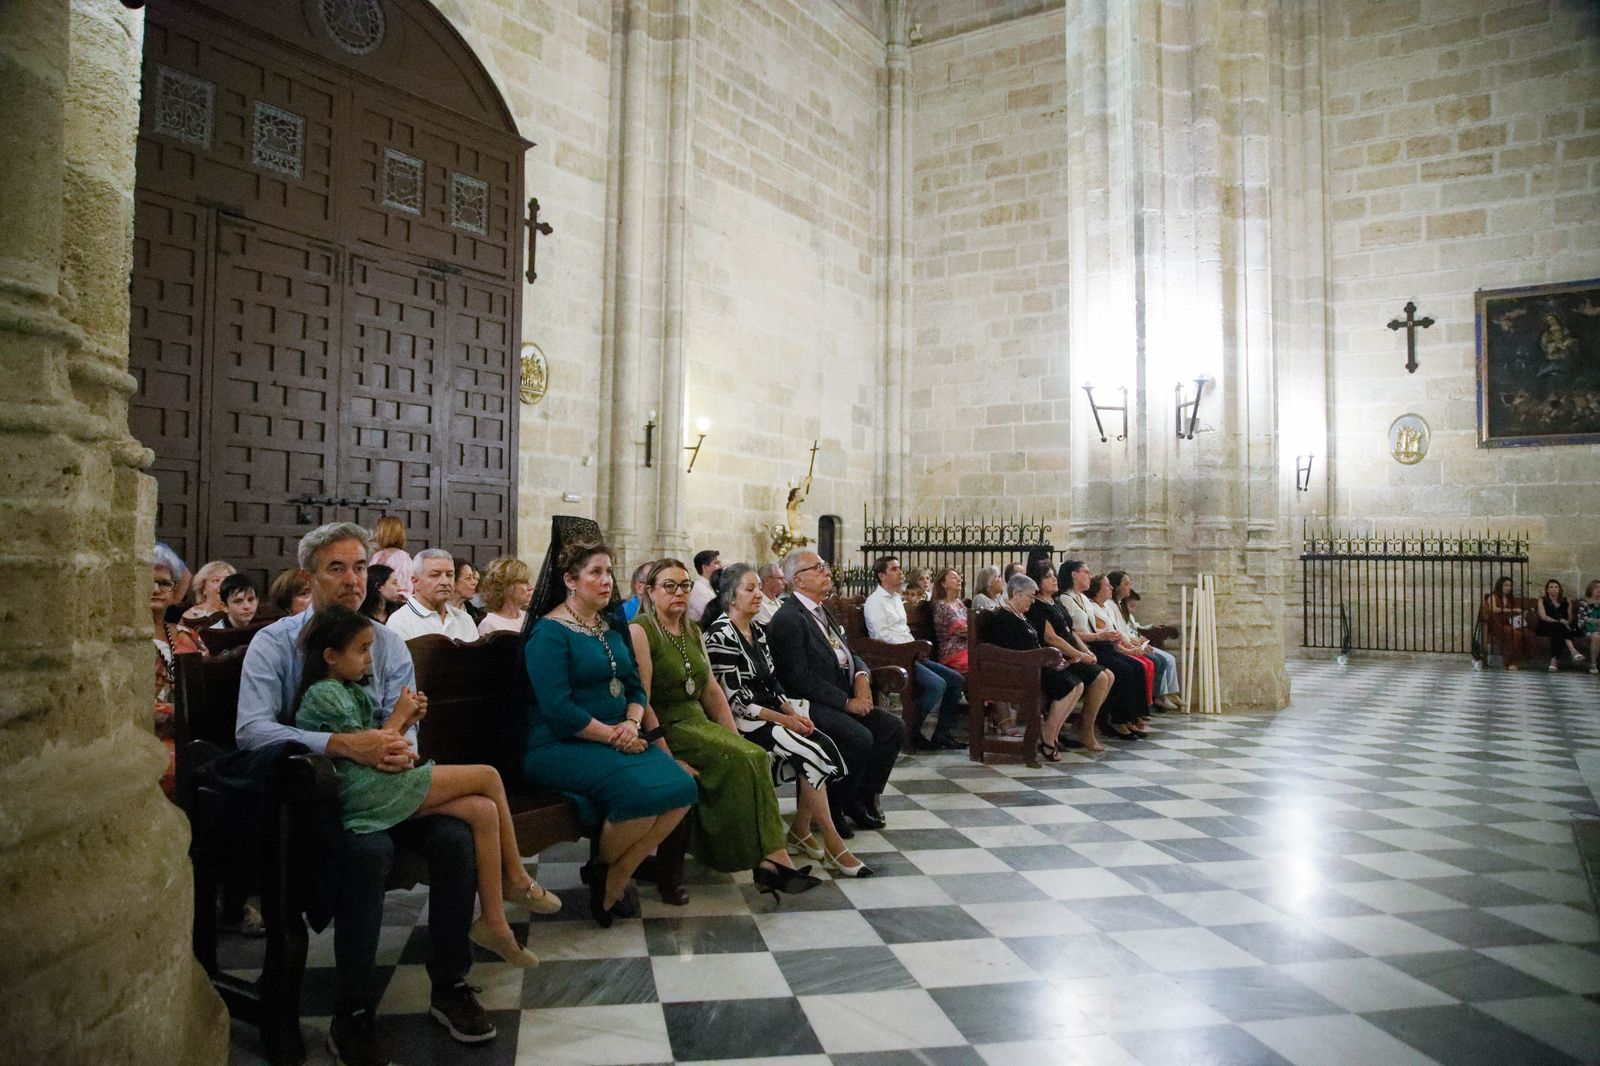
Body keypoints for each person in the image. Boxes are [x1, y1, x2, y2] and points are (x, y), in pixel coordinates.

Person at [237, 522, 503, 1056]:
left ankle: (449, 984)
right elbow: (251, 729)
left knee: (455, 839)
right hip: (311, 801)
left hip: (384, 782)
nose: (352, 580)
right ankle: (353, 1010)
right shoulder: (276, 641)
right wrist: (338, 743)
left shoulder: (386, 643)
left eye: (360, 567)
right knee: (369, 852)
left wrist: (391, 746)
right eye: (336, 568)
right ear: (309, 577)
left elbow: (406, 728)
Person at [292, 605, 543, 969]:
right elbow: (368, 750)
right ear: (331, 656)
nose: (370, 659)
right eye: (362, 650)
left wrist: (406, 717)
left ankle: (494, 922)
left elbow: (383, 744)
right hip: (360, 793)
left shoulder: (350, 691)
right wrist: (398, 716)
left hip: (375, 783)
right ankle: (516, 877)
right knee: (488, 776)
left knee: (481, 809)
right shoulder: (323, 694)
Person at [522, 539, 695, 923]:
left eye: (609, 572)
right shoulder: (550, 633)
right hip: (560, 743)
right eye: (595, 573)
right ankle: (611, 876)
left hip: (619, 737)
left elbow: (634, 687)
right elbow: (558, 709)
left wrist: (632, 723)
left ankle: (612, 871)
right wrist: (616, 736)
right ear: (570, 580)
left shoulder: (608, 626)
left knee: (682, 787)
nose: (606, 581)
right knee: (639, 795)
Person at [630, 559, 822, 897]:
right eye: (669, 586)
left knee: (754, 755)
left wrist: (733, 737)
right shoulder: (641, 630)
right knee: (740, 760)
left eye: (685, 586)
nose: (679, 593)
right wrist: (664, 755)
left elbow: (711, 690)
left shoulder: (691, 628)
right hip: (667, 725)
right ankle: (765, 861)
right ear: (650, 591)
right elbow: (641, 700)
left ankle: (771, 861)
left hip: (696, 722)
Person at [704, 564, 869, 877]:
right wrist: (782, 719)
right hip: (744, 722)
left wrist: (792, 713)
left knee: (821, 740)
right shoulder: (720, 635)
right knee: (812, 753)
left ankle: (800, 829)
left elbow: (773, 683)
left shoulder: (758, 631)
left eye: (757, 588)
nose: (757, 595)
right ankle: (834, 846)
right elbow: (733, 700)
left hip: (774, 713)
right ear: (731, 598)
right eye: (749, 589)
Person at [767, 550, 905, 832]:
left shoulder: (822, 610)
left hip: (841, 696)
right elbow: (798, 678)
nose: (826, 572)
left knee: (892, 727)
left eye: (825, 566)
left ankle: (862, 796)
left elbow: (848, 653)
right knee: (859, 737)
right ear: (798, 580)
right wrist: (846, 703)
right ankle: (832, 807)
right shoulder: (789, 619)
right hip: (809, 703)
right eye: (818, 568)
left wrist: (863, 678)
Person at [979, 575, 1088, 761]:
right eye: (1030, 596)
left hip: (1032, 665)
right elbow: (1009, 650)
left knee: (1078, 685)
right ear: (1016, 593)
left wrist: (1053, 659)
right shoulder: (1001, 616)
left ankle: (1050, 735)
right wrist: (1043, 659)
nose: (1032, 600)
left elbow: (1033, 645)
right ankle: (1048, 737)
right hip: (1016, 671)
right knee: (1068, 686)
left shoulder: (1020, 615)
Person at [865, 555, 964, 751]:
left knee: (956, 680)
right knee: (937, 685)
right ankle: (908, 731)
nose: (900, 572)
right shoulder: (875, 602)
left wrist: (915, 649)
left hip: (910, 654)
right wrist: (910, 650)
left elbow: (903, 631)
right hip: (894, 657)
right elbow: (881, 637)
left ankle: (941, 734)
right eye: (894, 569)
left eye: (899, 568)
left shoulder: (895, 599)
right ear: (882, 575)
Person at [1025, 562, 1121, 744]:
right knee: (1101, 678)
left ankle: (1082, 725)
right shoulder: (1037, 606)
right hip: (1055, 657)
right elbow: (1052, 638)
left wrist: (1085, 651)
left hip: (1071, 653)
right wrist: (1079, 654)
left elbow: (1070, 632)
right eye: (1048, 576)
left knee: (1109, 675)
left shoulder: (1055, 602)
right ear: (1038, 581)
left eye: (1054, 575)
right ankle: (1083, 730)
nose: (1054, 579)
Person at [152, 543, 204, 799]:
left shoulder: (187, 635)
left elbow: (208, 688)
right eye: (147, 582)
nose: (155, 590)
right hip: (150, 736)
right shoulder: (123, 643)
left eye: (164, 583)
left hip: (195, 734)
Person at [1107, 572, 1180, 710]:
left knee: (1163, 660)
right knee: (1155, 661)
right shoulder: (1110, 605)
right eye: (1126, 584)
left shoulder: (1119, 605)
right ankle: (1147, 703)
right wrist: (1133, 643)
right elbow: (1117, 631)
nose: (1129, 587)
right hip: (1120, 645)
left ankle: (1154, 700)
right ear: (1116, 586)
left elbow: (1128, 628)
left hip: (1129, 642)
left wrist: (1137, 640)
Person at [1087, 576, 1155, 705]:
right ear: (1097, 590)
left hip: (1114, 645)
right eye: (1108, 586)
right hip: (1101, 647)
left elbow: (1120, 630)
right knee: (1130, 668)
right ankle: (1123, 716)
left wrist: (1132, 643)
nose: (1111, 588)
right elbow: (1107, 633)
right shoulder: (1096, 606)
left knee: (1146, 663)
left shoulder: (1108, 607)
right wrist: (1129, 648)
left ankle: (1139, 710)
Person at [386, 549, 479, 642]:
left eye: (449, 575)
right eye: (435, 575)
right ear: (415, 581)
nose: (445, 582)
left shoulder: (465, 619)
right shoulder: (399, 622)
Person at [1534, 579, 1586, 670]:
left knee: (1558, 632)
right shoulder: (1542, 600)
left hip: (1563, 626)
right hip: (1546, 625)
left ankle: (1554, 661)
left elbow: (1569, 618)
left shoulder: (1566, 601)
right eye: (1551, 587)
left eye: (1556, 587)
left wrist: (1566, 622)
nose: (1554, 589)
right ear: (1547, 590)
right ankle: (1573, 651)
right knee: (1558, 627)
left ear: (1559, 589)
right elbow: (1543, 616)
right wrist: (1558, 621)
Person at [477, 557, 533, 637]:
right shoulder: (490, 624)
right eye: (523, 582)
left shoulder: (529, 618)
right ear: (507, 587)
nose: (530, 587)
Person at [930, 567, 969, 673]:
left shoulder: (958, 602)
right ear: (943, 584)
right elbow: (962, 631)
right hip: (953, 652)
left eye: (959, 578)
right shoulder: (942, 605)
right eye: (954, 577)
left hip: (967, 647)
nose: (959, 580)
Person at [370, 515, 414, 599]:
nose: (376, 534)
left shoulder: (402, 558)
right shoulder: (377, 556)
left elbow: (402, 587)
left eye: (378, 531)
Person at [687, 549, 721, 622]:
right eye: (716, 563)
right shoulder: (698, 588)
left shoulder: (713, 586)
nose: (720, 566)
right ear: (705, 567)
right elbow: (712, 616)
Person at [452, 558, 486, 625]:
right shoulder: (437, 613)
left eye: (474, 578)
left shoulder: (476, 614)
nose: (474, 583)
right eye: (468, 578)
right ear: (453, 581)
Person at [1578, 580, 1600, 674]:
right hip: (1589, 629)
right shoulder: (1584, 602)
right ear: (1590, 589)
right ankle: (1593, 663)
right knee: (1596, 636)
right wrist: (1595, 621)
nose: (1599, 589)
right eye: (1596, 587)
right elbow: (1582, 620)